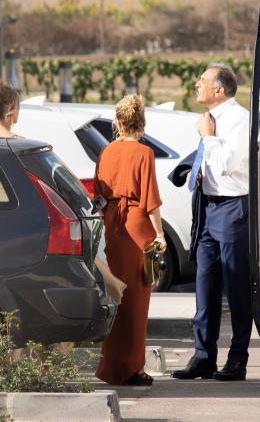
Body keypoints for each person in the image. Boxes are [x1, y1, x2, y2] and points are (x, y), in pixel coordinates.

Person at [172, 64, 251, 382]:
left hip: (233, 207)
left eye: (203, 80)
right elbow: (209, 163)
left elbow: (228, 165)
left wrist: (208, 137)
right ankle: (203, 357)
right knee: (204, 286)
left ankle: (237, 359)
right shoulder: (208, 120)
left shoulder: (239, 120)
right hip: (207, 207)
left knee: (236, 287)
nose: (196, 84)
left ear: (219, 90)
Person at [94, 95, 165, 387]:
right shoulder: (144, 153)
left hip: (114, 225)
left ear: (118, 121)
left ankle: (111, 366)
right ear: (141, 121)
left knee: (116, 296)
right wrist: (159, 233)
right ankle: (134, 367)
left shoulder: (106, 152)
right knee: (138, 301)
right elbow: (150, 200)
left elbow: (98, 193)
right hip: (137, 226)